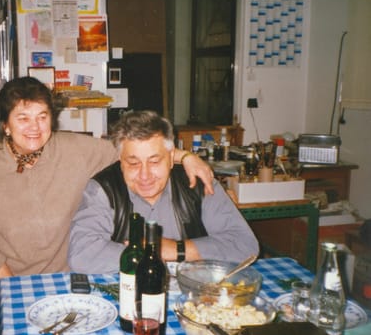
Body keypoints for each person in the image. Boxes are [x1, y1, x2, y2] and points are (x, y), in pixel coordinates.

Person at [0, 77, 214, 335]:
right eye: (23, 118)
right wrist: (25, 298)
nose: (34, 127)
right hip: (2, 282)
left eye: (42, 116)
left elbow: (132, 151)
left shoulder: (75, 150)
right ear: (5, 125)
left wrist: (185, 157)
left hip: (64, 277)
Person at [68, 110, 259, 274]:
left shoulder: (198, 183)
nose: (145, 175)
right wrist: (148, 256)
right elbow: (82, 254)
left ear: (171, 157)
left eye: (154, 161)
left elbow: (245, 246)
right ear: (120, 159)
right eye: (133, 163)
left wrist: (176, 250)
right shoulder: (103, 189)